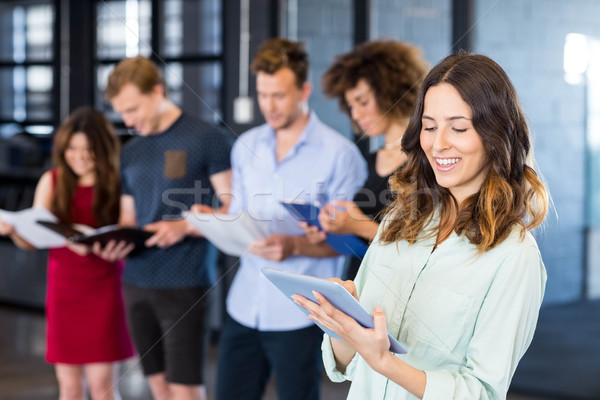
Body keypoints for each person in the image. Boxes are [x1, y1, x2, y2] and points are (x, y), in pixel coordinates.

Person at [293, 52, 550, 399]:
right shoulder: (400, 218)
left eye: (458, 127)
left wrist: (386, 362)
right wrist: (342, 328)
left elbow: (482, 392)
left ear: (495, 134)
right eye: (429, 126)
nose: (437, 143)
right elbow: (349, 367)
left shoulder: (514, 257)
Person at [215, 38, 367, 400]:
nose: (269, 105)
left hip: (300, 312)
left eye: (279, 95)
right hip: (243, 304)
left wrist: (295, 245)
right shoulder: (245, 146)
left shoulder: (340, 156)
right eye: (262, 94)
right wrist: (217, 221)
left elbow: (350, 243)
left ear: (304, 91)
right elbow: (238, 216)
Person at [96, 55, 233, 400]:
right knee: (157, 386)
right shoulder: (131, 151)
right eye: (122, 113)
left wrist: (185, 226)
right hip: (136, 282)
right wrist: (115, 239)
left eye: (133, 109)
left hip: (185, 282)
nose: (129, 121)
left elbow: (232, 210)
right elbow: (130, 218)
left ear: (157, 91)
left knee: (184, 389)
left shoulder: (207, 138)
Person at [0, 107, 134, 400]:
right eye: (72, 148)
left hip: (105, 289)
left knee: (103, 388)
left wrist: (117, 249)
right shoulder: (52, 181)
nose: (80, 156)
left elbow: (129, 233)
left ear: (103, 148)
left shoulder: (117, 182)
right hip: (64, 292)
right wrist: (14, 231)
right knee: (70, 388)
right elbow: (34, 241)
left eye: (89, 149)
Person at [304, 40, 428, 280]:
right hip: (360, 282)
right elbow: (361, 238)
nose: (356, 114)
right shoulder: (371, 159)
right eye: (351, 106)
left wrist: (356, 225)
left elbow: (419, 248)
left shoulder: (424, 161)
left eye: (362, 102)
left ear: (390, 92)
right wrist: (329, 232)